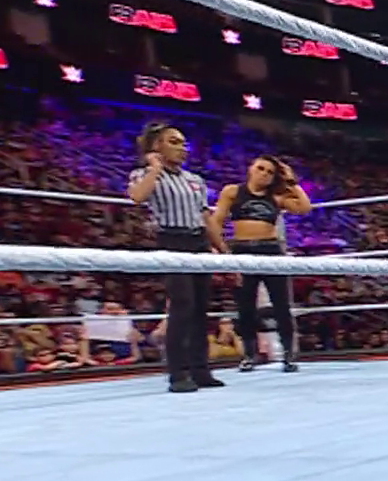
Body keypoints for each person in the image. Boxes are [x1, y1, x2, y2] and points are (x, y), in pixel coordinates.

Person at [127, 121, 221, 393]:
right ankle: (178, 373)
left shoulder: (195, 180)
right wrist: (155, 167)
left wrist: (224, 252)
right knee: (182, 305)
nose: (183, 148)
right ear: (157, 146)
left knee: (201, 307)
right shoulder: (143, 174)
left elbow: (206, 218)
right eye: (174, 142)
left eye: (183, 143)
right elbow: (137, 197)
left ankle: (201, 370)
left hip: (199, 241)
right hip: (171, 238)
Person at [208, 155, 313, 372]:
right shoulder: (232, 192)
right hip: (242, 250)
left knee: (281, 304)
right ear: (251, 168)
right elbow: (216, 221)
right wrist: (224, 252)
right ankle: (249, 354)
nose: (264, 174)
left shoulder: (276, 197)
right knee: (245, 306)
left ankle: (288, 355)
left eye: (270, 172)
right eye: (260, 168)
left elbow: (304, 208)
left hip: (270, 250)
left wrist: (292, 182)